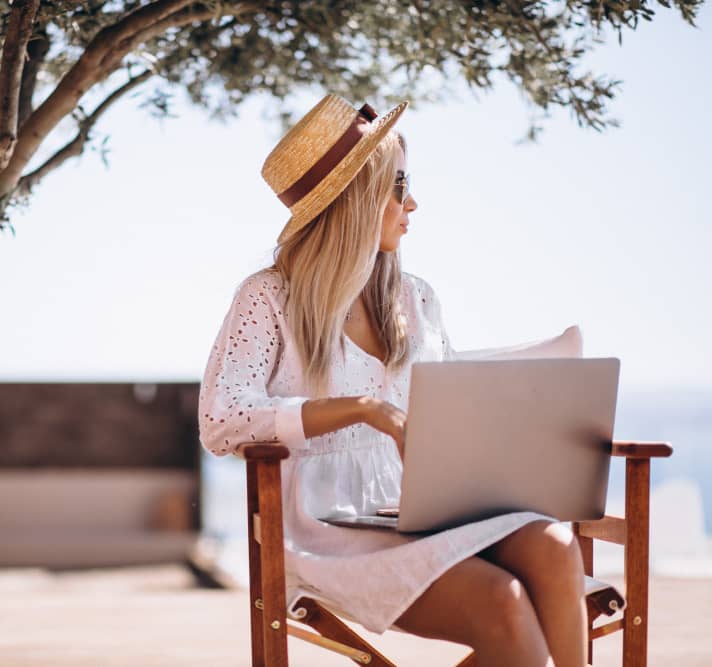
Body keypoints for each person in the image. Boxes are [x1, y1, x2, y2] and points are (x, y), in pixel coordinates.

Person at [198, 94, 588, 667]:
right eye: (399, 186)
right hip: (325, 529)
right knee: (503, 604)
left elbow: (451, 408)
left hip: (425, 509)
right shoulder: (268, 297)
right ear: (356, 199)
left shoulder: (415, 297)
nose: (414, 203)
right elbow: (222, 417)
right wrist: (361, 408)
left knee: (555, 546)